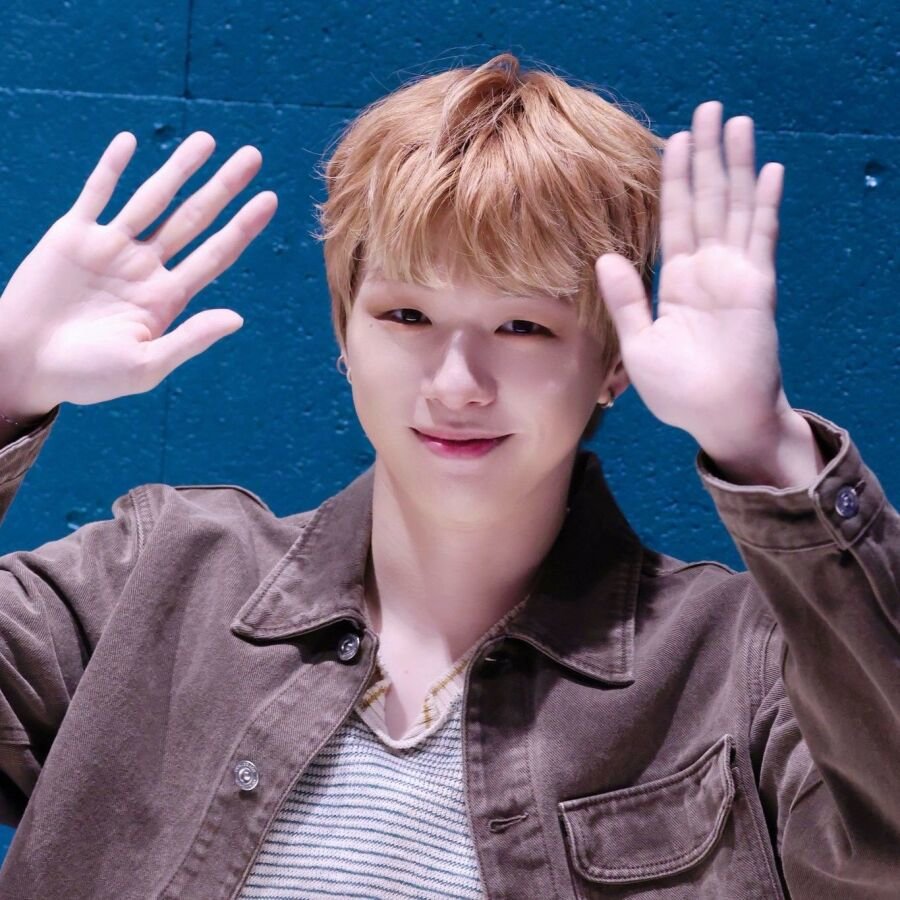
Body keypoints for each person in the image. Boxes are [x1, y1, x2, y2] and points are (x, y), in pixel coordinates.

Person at [0, 52, 896, 899]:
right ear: (344, 332)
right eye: (406, 315)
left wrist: (763, 449)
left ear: (614, 362)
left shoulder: (735, 667)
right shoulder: (152, 580)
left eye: (523, 327)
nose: (457, 383)